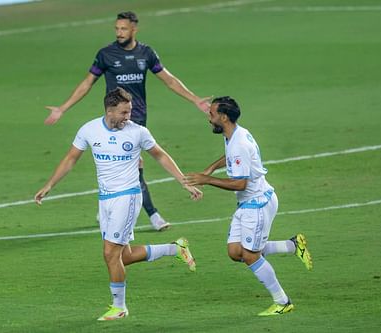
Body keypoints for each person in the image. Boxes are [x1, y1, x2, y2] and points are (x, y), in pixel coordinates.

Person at [35, 88, 202, 321]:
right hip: (105, 200)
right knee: (124, 256)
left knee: (109, 253)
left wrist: (183, 181)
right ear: (109, 110)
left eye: (130, 111)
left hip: (128, 196)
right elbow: (71, 158)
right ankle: (176, 248)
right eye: (124, 112)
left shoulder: (138, 132)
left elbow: (160, 155)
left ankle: (119, 307)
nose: (128, 117)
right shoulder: (89, 130)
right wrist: (50, 184)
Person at [44, 11, 210, 231]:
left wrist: (195, 99)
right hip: (115, 119)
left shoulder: (146, 54)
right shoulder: (106, 54)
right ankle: (153, 215)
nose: (119, 33)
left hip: (136, 120)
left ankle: (113, 204)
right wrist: (63, 108)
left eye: (123, 29)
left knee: (133, 167)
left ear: (134, 29)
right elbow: (87, 83)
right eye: (117, 29)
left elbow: (169, 80)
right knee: (133, 168)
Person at [184, 96, 312, 316]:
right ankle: (292, 246)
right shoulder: (234, 135)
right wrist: (210, 169)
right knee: (236, 252)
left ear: (223, 117)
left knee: (251, 255)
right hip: (247, 203)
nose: (209, 117)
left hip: (258, 204)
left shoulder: (239, 143)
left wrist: (208, 181)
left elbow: (240, 183)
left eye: (212, 114)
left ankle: (283, 301)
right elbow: (229, 157)